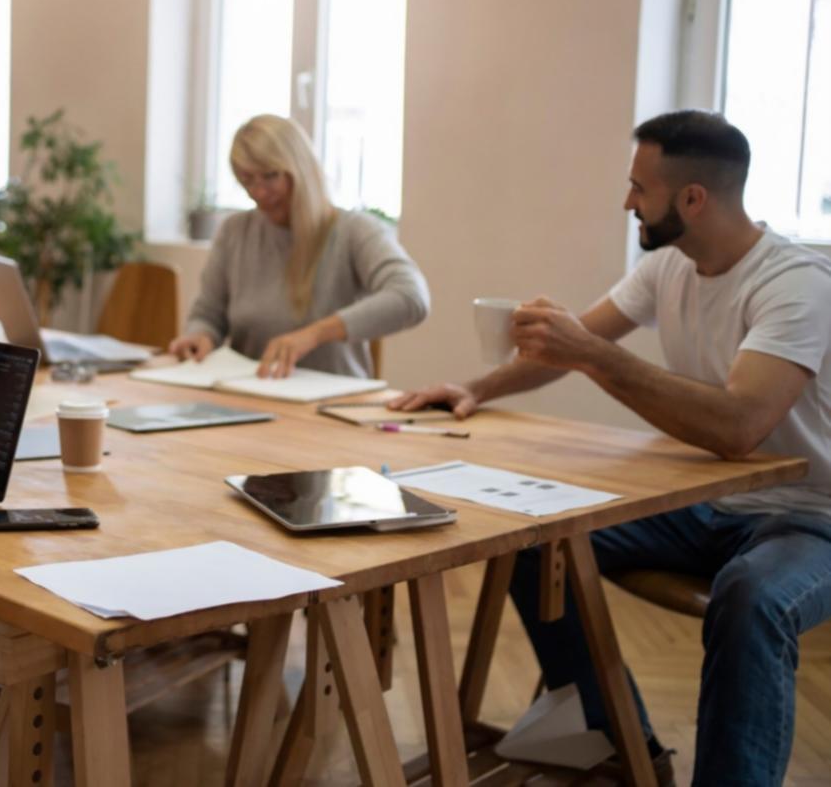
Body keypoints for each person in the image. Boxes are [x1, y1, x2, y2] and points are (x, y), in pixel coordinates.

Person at [392, 110, 831, 786]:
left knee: (751, 598)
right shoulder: (667, 269)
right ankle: (622, 747)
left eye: (638, 187)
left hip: (810, 515)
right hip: (710, 503)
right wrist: (471, 387)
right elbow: (569, 350)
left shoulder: (794, 284)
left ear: (691, 199)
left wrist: (591, 354)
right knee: (536, 541)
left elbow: (739, 425)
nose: (627, 201)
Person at [168, 114, 429, 378]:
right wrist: (200, 336)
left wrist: (315, 334)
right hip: (249, 395)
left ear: (300, 168)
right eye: (247, 180)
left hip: (330, 401)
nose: (259, 192)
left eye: (270, 176)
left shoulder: (354, 230)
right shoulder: (235, 231)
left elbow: (411, 297)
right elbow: (208, 314)